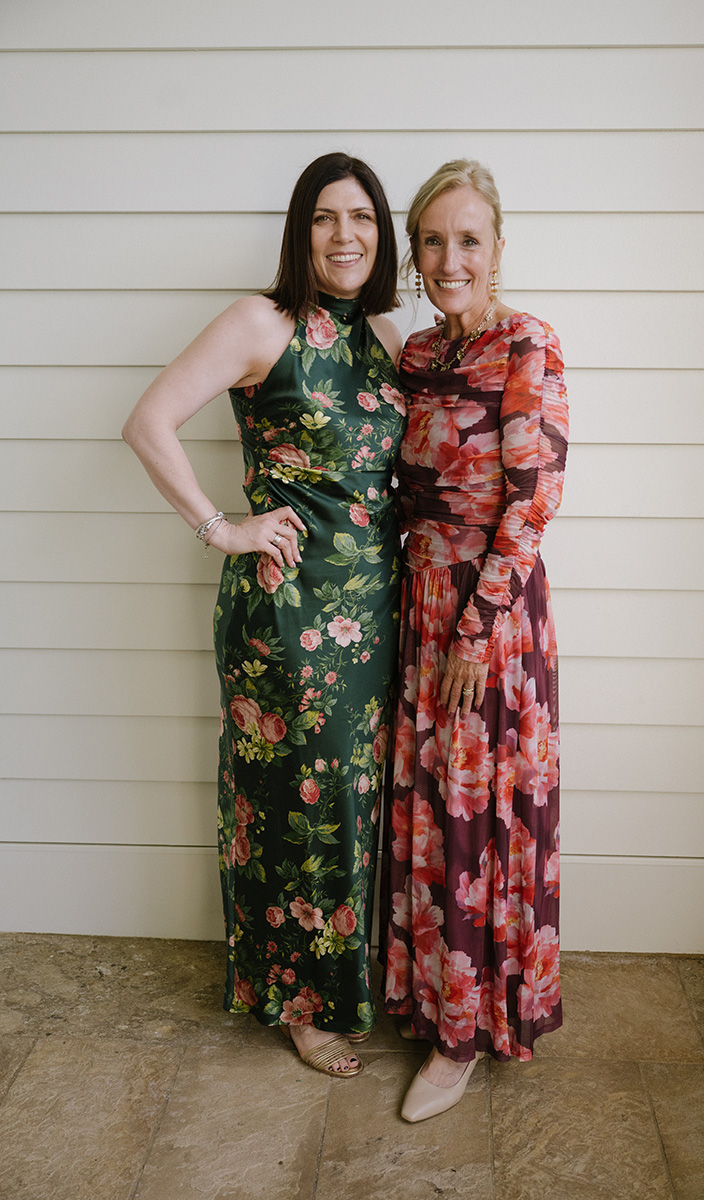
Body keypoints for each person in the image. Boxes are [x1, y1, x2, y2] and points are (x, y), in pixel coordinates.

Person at [123, 153, 407, 1078]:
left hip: (373, 618)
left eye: (361, 217)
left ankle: (347, 981)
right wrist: (222, 528)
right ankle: (300, 1004)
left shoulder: (386, 337)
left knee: (352, 803)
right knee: (294, 805)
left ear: (382, 233)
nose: (345, 235)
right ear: (300, 231)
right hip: (286, 615)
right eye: (324, 218)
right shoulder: (262, 321)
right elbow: (148, 422)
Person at [380, 159, 568, 1120]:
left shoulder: (527, 343)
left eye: (468, 240)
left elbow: (532, 504)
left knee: (474, 814)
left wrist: (472, 632)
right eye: (433, 240)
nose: (450, 259)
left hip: (486, 619)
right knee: (427, 810)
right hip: (417, 602)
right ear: (415, 254)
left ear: (496, 247)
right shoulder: (414, 353)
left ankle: (466, 1032)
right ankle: (428, 1002)